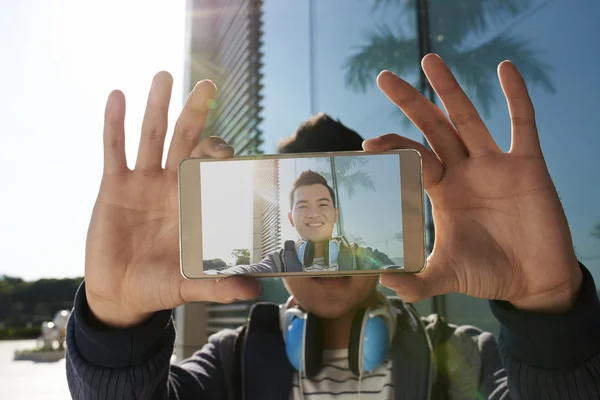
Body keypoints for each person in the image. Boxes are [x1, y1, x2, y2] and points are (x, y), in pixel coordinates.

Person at [65, 54, 600, 399]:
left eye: (327, 205)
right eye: (303, 209)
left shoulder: (464, 358)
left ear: (344, 217)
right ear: (287, 224)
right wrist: (116, 330)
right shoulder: (231, 363)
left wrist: (547, 314)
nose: (316, 218)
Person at [206, 168, 395, 275]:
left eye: (322, 204)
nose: (313, 213)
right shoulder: (277, 262)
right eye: (303, 206)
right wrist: (214, 274)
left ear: (335, 215)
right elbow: (244, 270)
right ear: (290, 218)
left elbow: (394, 271)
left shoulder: (361, 256)